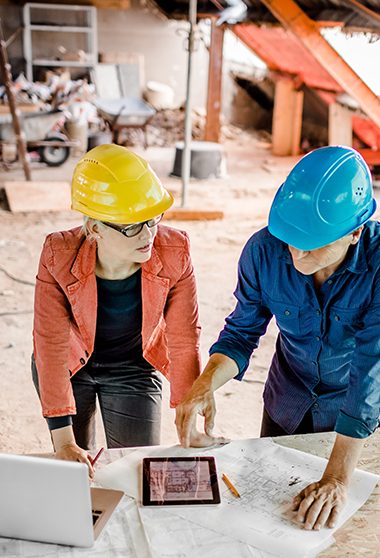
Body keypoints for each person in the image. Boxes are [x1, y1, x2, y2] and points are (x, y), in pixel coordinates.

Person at [175, 145, 380, 530]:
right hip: (288, 400)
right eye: (291, 237)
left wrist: (338, 477)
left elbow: (372, 370)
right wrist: (205, 385)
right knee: (271, 515)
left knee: (340, 523)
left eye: (314, 241)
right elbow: (241, 332)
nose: (297, 252)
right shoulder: (263, 251)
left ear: (355, 232)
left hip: (357, 416)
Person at [32, 144, 201, 476]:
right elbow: (50, 344)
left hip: (134, 369)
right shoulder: (58, 254)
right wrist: (64, 443)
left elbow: (184, 339)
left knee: (133, 470)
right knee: (76, 470)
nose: (149, 234)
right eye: (132, 226)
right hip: (71, 364)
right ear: (94, 228)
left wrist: (189, 416)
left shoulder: (175, 250)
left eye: (153, 219)